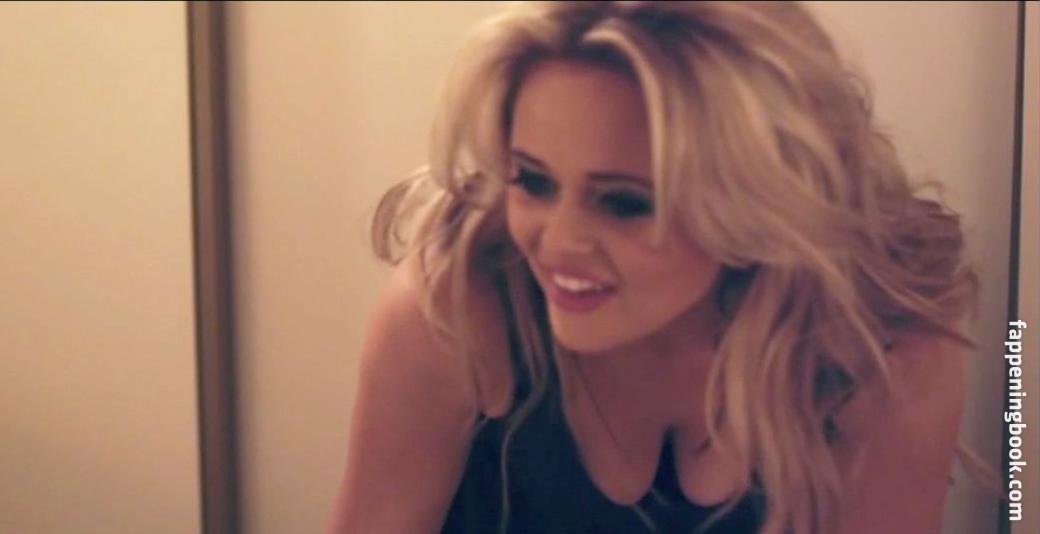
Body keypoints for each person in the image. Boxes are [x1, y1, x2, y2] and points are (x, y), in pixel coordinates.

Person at [328, 2, 996, 533]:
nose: (557, 243)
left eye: (625, 203)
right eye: (533, 180)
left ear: (759, 198)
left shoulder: (881, 342)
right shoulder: (458, 302)